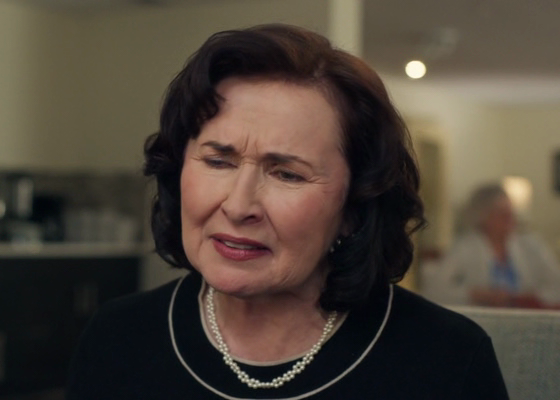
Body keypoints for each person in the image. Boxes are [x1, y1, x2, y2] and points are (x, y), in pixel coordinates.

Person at [66, 24, 508, 399]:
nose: (238, 206)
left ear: (355, 206)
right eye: (218, 161)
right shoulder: (117, 338)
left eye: (287, 174)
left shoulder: (448, 359)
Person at [423, 184, 560, 308]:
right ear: (482, 216)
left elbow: (556, 285)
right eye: (501, 213)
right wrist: (477, 295)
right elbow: (434, 290)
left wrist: (528, 298)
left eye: (511, 212)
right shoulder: (465, 247)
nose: (510, 218)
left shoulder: (531, 245)